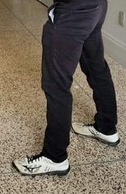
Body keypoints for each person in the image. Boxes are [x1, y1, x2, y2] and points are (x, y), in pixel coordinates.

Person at [13, 0, 120, 176]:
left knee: (56, 85)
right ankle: (106, 127)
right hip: (96, 6)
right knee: (96, 68)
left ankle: (54, 157)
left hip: (74, 10)